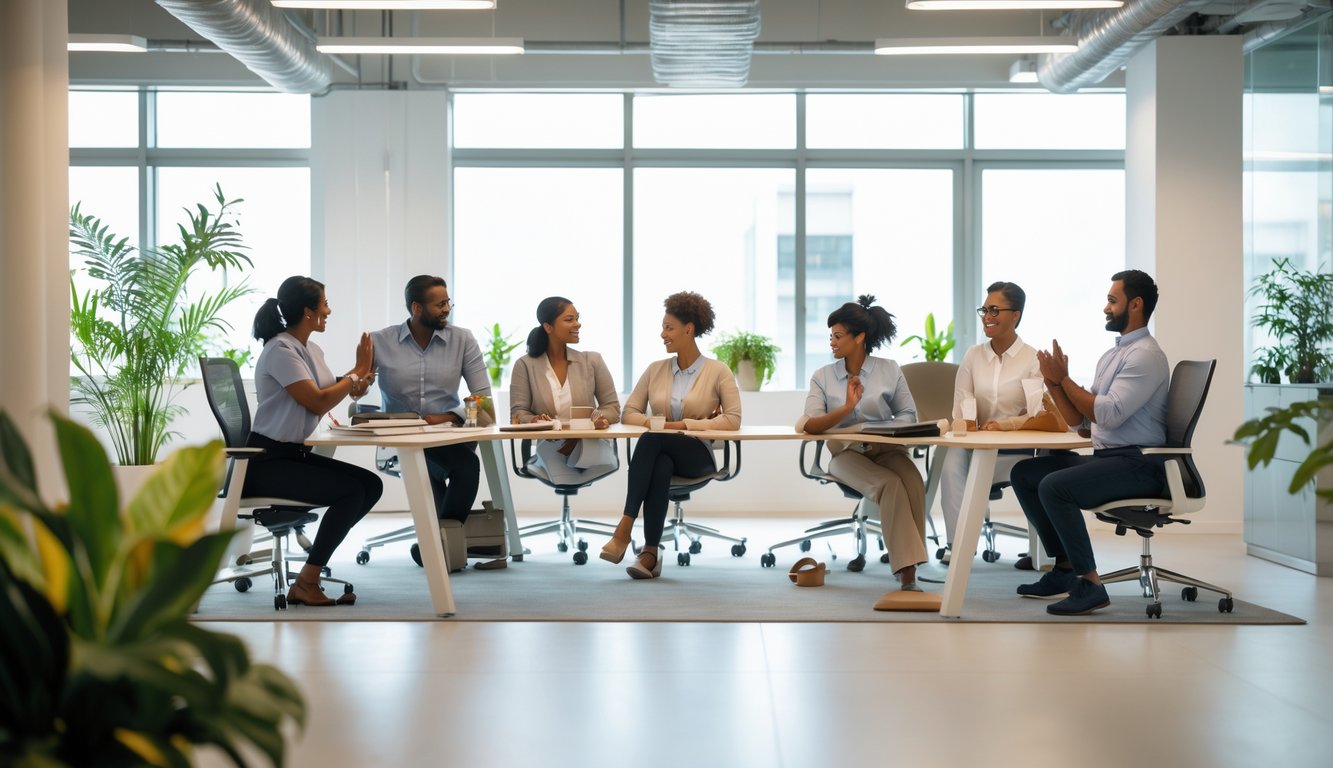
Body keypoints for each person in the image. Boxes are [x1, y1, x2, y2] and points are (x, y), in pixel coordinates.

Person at [1011, 269, 1170, 616]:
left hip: (1141, 464)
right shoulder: (1112, 355)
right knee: (1025, 473)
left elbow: (1108, 414)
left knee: (1055, 486)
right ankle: (1065, 569)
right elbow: (1081, 421)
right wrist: (1055, 384)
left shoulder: (1145, 355)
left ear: (1136, 304)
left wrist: (1064, 379)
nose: (1105, 308)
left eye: (1113, 301)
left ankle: (1091, 585)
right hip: (1110, 457)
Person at [244, 275, 383, 607]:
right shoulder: (280, 349)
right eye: (324, 304)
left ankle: (310, 575)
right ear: (308, 312)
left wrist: (355, 381)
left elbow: (326, 387)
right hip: (266, 462)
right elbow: (317, 400)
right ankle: (308, 580)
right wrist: (354, 374)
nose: (329, 310)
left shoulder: (309, 348)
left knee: (370, 485)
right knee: (351, 491)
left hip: (291, 455)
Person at [599, 291, 742, 579]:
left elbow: (733, 420)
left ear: (689, 330)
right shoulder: (656, 370)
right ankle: (650, 553)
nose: (662, 334)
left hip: (696, 456)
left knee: (652, 438)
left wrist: (682, 426)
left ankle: (625, 528)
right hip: (662, 454)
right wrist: (664, 425)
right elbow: (630, 413)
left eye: (669, 327)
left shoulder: (718, 371)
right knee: (660, 462)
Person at [798, 295, 927, 601]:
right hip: (845, 455)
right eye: (831, 336)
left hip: (888, 450)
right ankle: (907, 573)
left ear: (859, 338)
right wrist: (847, 408)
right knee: (890, 485)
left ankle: (911, 562)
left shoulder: (889, 369)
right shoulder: (823, 377)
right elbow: (810, 424)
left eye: (838, 336)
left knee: (913, 482)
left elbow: (909, 415)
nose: (832, 342)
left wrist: (879, 429)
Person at [369, 275, 492, 530]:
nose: (446, 309)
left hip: (447, 439)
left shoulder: (463, 340)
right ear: (417, 307)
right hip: (402, 440)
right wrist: (357, 382)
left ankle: (443, 544)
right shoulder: (380, 341)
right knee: (461, 468)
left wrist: (447, 416)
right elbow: (358, 388)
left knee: (464, 465)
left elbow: (484, 400)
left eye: (448, 303)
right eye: (440, 304)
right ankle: (447, 545)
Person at [937, 281, 1042, 562]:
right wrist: (972, 426)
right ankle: (958, 545)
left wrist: (1006, 426)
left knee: (967, 464)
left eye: (995, 310)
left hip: (1014, 454)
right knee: (951, 460)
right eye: (984, 309)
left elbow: (1037, 414)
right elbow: (962, 407)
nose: (987, 316)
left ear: (1015, 315)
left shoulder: (1032, 359)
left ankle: (1043, 553)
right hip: (975, 446)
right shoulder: (974, 355)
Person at [509, 296, 621, 484]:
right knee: (563, 477)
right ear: (548, 327)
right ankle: (542, 464)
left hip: (589, 444)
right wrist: (534, 420)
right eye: (569, 320)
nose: (577, 324)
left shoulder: (592, 361)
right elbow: (518, 412)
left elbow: (613, 409)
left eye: (577, 318)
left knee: (570, 475)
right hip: (551, 444)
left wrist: (588, 425)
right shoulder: (525, 365)